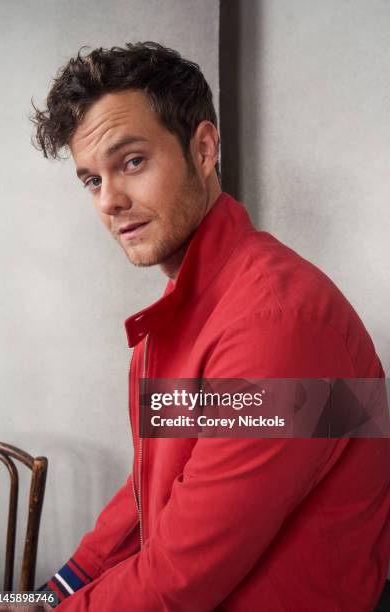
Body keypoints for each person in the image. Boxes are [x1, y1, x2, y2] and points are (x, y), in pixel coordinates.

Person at [29, 42, 389, 611]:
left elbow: (179, 580)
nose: (110, 201)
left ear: (203, 148)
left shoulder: (278, 325)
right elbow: (151, 498)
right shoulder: (194, 303)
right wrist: (46, 598)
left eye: (132, 162)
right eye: (91, 180)